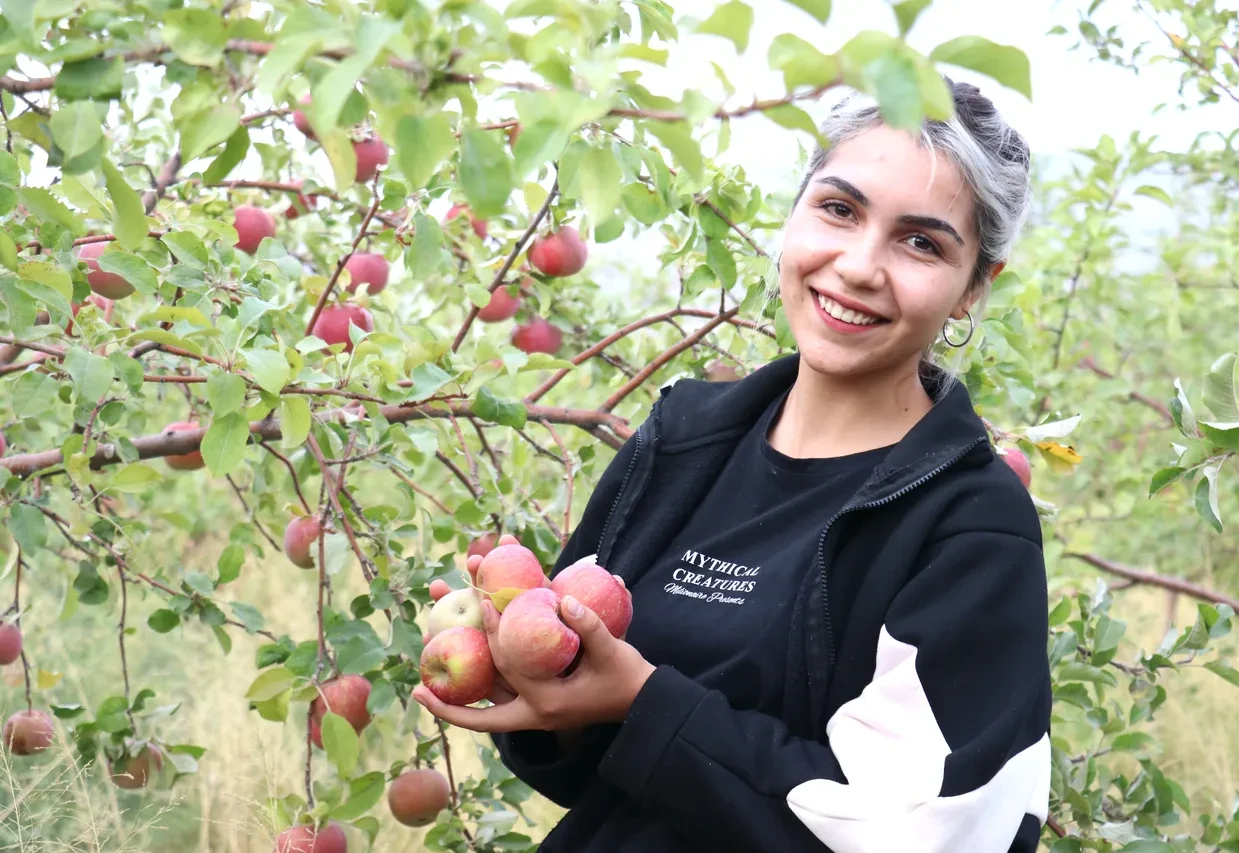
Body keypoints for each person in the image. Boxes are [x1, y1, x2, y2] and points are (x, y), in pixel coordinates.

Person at [413, 79, 1051, 853]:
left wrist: (643, 702)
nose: (858, 266)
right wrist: (524, 672)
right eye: (839, 209)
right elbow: (595, 778)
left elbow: (928, 833)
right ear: (796, 212)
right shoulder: (684, 440)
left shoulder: (971, 526)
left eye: (921, 243)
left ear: (974, 287)